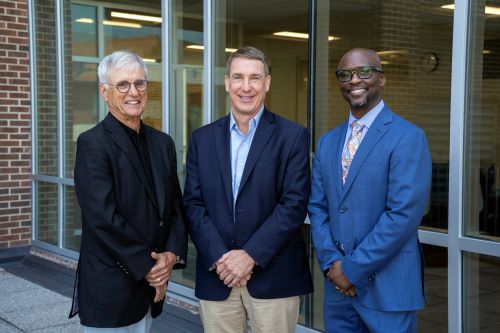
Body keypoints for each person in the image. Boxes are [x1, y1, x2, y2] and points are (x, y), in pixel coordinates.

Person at [183, 46, 313, 333]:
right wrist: (222, 258)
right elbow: (193, 203)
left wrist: (249, 256)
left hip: (274, 276)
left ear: (266, 83)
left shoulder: (292, 137)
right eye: (238, 77)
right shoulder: (202, 139)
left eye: (254, 78)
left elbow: (293, 205)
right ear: (227, 82)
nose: (246, 87)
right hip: (218, 276)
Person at [308, 48, 432, 333]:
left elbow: (402, 215)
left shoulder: (407, 137)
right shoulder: (328, 142)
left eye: (364, 72)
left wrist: (351, 270)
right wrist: (332, 266)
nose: (354, 80)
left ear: (382, 78)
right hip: (338, 291)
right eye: (345, 74)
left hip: (388, 290)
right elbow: (318, 207)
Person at [69, 50, 187, 332]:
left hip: (151, 288)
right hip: (111, 287)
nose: (133, 92)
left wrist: (171, 255)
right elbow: (102, 218)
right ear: (104, 92)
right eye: (122, 84)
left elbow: (175, 207)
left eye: (139, 83)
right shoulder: (92, 144)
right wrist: (151, 270)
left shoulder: (163, 143)